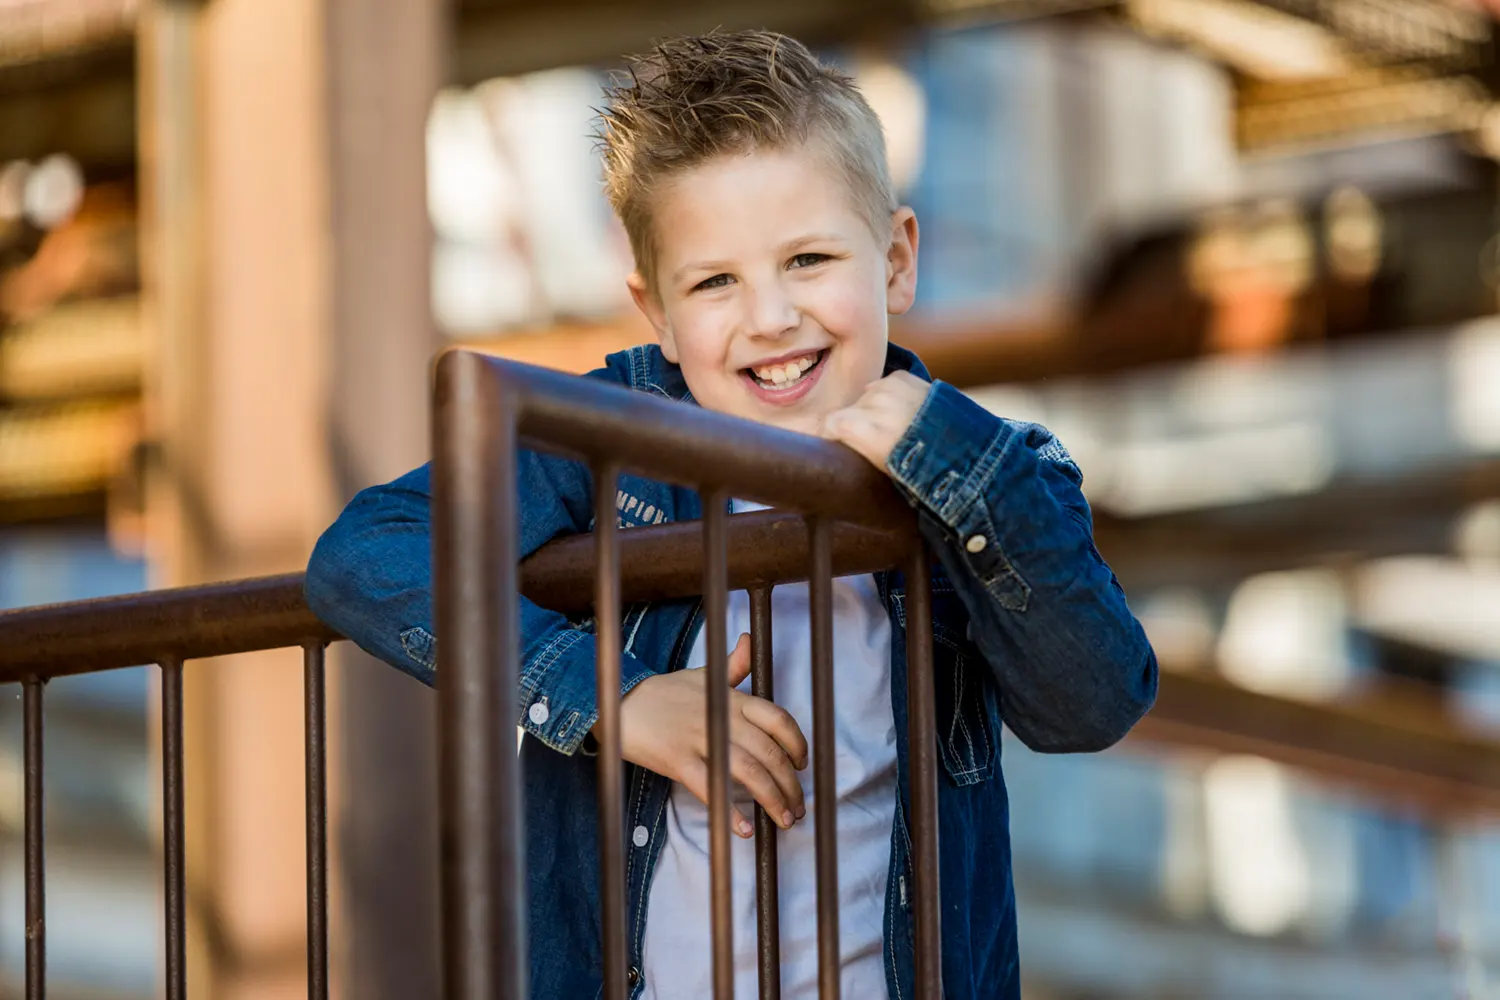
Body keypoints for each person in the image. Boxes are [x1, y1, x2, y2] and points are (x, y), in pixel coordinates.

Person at [305, 29, 1157, 1000]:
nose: (770, 317)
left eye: (807, 259)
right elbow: (363, 553)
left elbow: (1095, 700)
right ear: (655, 310)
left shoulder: (988, 470)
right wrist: (615, 699)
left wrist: (956, 464)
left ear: (896, 260)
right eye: (715, 281)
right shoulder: (608, 442)